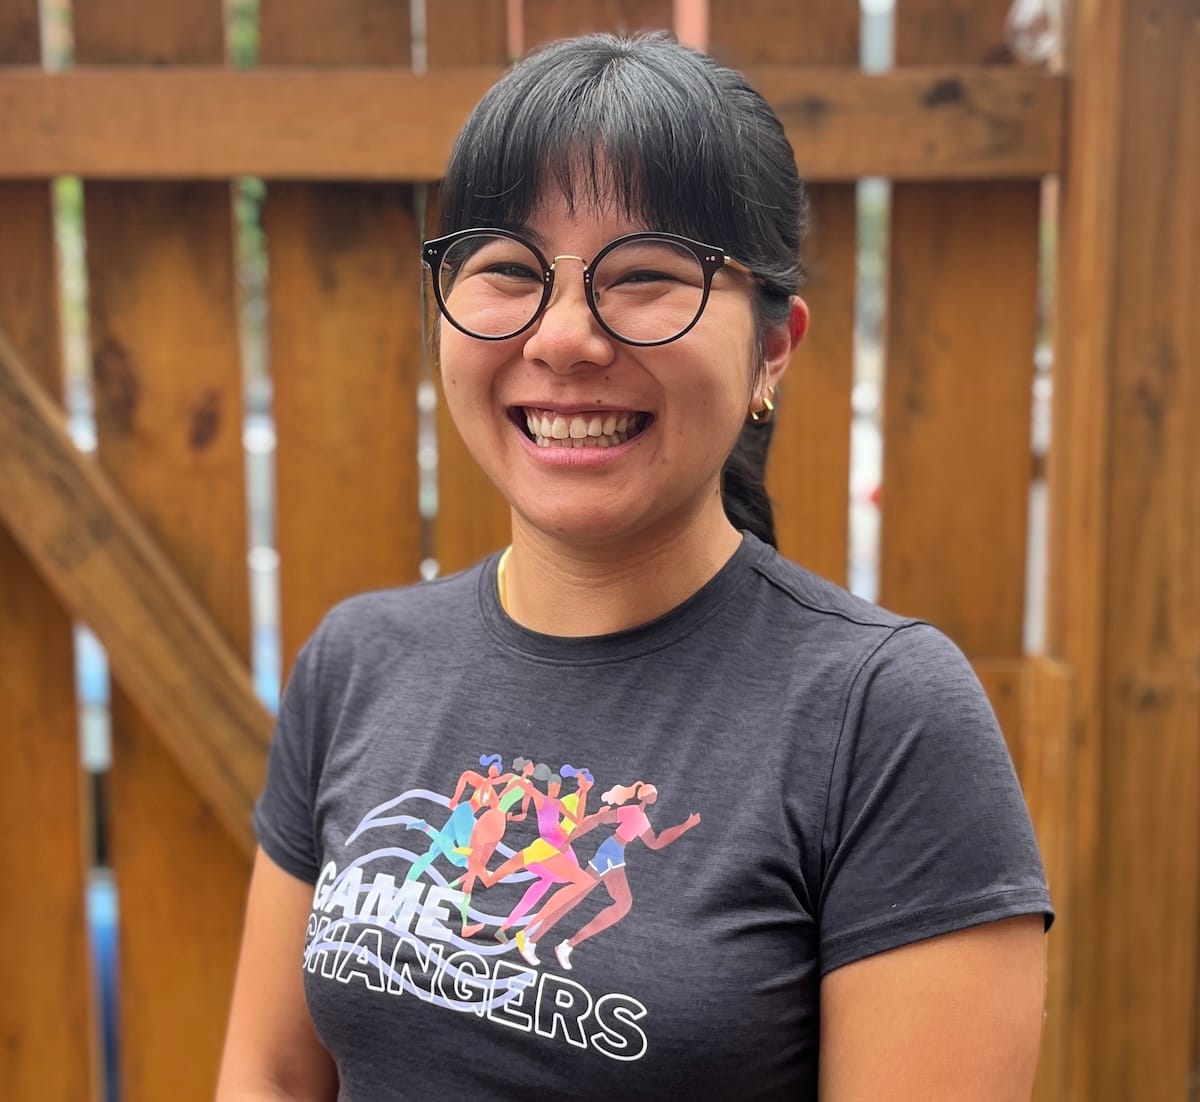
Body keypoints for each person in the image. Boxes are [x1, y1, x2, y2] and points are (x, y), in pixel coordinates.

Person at [217, 31, 1052, 1101]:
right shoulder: (358, 660)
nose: (564, 336)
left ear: (774, 348)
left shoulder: (881, 715)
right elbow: (273, 1075)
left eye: (648, 275)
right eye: (510, 270)